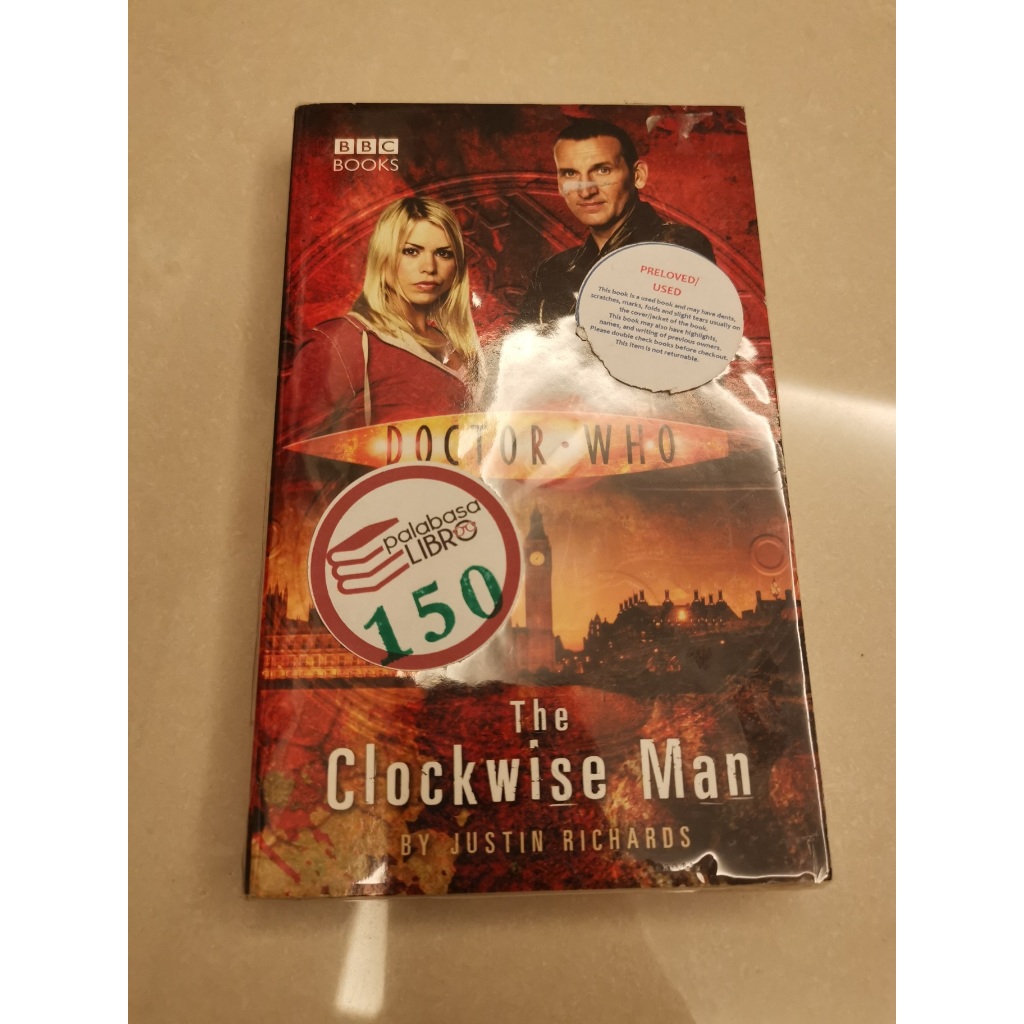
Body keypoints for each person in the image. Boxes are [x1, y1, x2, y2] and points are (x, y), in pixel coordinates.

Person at [281, 196, 481, 445]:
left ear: (457, 265)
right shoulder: (342, 342)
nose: (429, 267)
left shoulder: (461, 348)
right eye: (411, 251)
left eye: (443, 253)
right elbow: (290, 454)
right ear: (383, 257)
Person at [518, 118, 716, 326]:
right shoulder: (551, 271)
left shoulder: (676, 246)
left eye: (602, 170)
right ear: (559, 185)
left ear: (638, 176)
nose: (586, 191)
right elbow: (520, 344)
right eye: (570, 173)